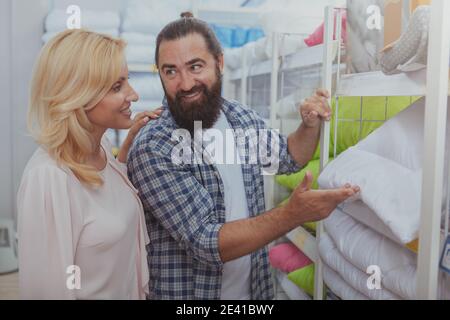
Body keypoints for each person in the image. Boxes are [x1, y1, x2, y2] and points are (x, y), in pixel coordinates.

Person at [127, 14, 359, 300]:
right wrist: (291, 214)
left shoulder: (239, 117)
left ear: (219, 63)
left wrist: (308, 126)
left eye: (195, 66)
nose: (185, 83)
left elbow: (289, 156)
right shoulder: (154, 145)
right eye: (170, 71)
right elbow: (205, 241)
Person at [17, 29, 162, 300]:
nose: (134, 95)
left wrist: (128, 145)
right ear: (78, 94)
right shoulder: (49, 178)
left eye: (127, 81)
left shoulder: (102, 151)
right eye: (117, 87)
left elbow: (104, 201)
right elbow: (47, 292)